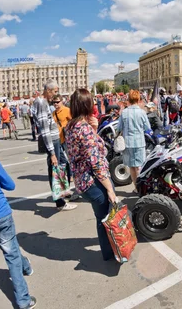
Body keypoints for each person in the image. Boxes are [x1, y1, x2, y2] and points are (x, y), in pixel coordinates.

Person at [0, 131, 37, 309]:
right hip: (1, 213)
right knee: (10, 253)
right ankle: (23, 299)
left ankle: (26, 266)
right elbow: (10, 185)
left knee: (8, 247)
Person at [65, 89, 119, 261]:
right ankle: (113, 251)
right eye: (91, 102)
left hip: (82, 182)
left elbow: (86, 150)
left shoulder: (71, 126)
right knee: (106, 218)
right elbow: (95, 161)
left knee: (101, 218)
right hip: (93, 181)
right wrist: (110, 189)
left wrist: (94, 128)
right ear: (86, 105)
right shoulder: (84, 128)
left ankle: (108, 252)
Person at [34, 80, 77, 211]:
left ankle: (64, 193)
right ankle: (60, 202)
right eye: (55, 91)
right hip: (52, 141)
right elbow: (44, 129)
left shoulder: (44, 102)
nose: (55, 95)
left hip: (55, 140)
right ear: (48, 90)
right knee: (55, 170)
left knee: (64, 164)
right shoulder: (41, 103)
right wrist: (52, 153)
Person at [117, 90, 151, 190]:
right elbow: (147, 128)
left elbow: (119, 128)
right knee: (140, 166)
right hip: (140, 142)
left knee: (132, 167)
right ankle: (142, 187)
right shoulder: (142, 112)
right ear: (138, 99)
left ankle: (136, 187)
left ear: (129, 100)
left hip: (128, 143)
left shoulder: (124, 112)